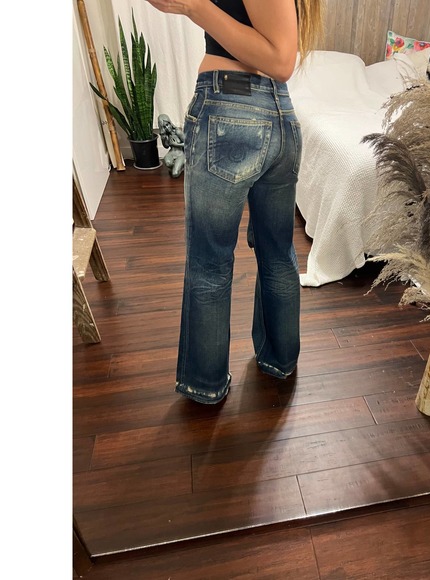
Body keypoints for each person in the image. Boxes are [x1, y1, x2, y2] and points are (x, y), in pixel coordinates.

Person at [144, 0, 325, 404]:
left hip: (229, 108)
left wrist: (194, 7)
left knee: (210, 262)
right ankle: (280, 359)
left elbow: (281, 60)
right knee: (278, 252)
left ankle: (206, 383)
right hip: (279, 115)